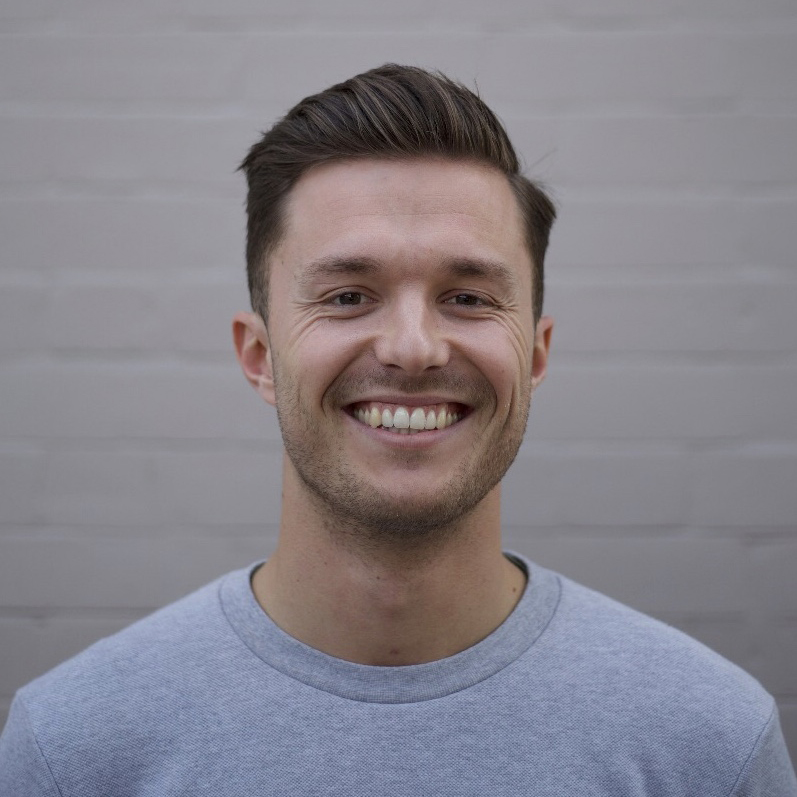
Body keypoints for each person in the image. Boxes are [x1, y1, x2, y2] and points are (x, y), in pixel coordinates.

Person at [1, 64, 794, 796]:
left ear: (537, 353)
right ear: (258, 355)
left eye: (469, 298)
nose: (413, 348)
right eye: (347, 295)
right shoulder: (75, 748)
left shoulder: (707, 743)